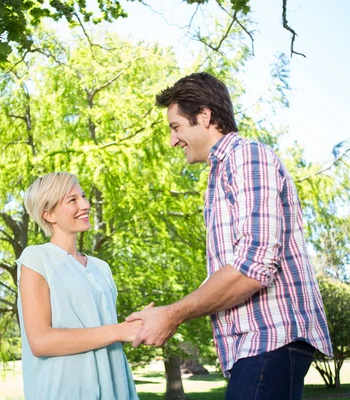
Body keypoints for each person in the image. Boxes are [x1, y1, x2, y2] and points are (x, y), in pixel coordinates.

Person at [126, 72, 333, 399]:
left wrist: (172, 314)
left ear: (204, 116)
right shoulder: (221, 172)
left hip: (271, 339)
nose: (172, 140)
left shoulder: (246, 157)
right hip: (256, 347)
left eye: (176, 127)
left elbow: (255, 266)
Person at [17, 172, 146, 400]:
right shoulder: (37, 258)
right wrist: (119, 331)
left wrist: (137, 325)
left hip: (116, 390)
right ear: (49, 214)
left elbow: (102, 328)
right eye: (72, 200)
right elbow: (40, 341)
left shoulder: (101, 268)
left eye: (83, 197)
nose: (85, 205)